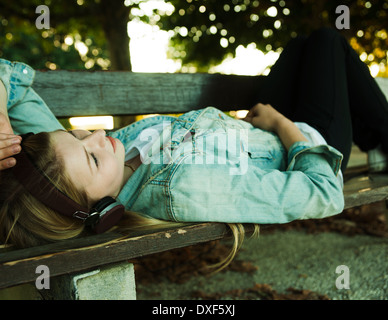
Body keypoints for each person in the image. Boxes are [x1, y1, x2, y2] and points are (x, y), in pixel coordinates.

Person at [1, 28, 387, 259]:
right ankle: (378, 135)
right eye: (93, 159)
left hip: (261, 125)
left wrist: (2, 124)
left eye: (78, 134)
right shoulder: (180, 189)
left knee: (302, 45)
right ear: (103, 212)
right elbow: (323, 193)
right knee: (324, 41)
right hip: (307, 139)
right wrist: (283, 124)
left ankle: (375, 135)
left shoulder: (68, 166)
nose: (100, 137)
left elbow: (12, 81)